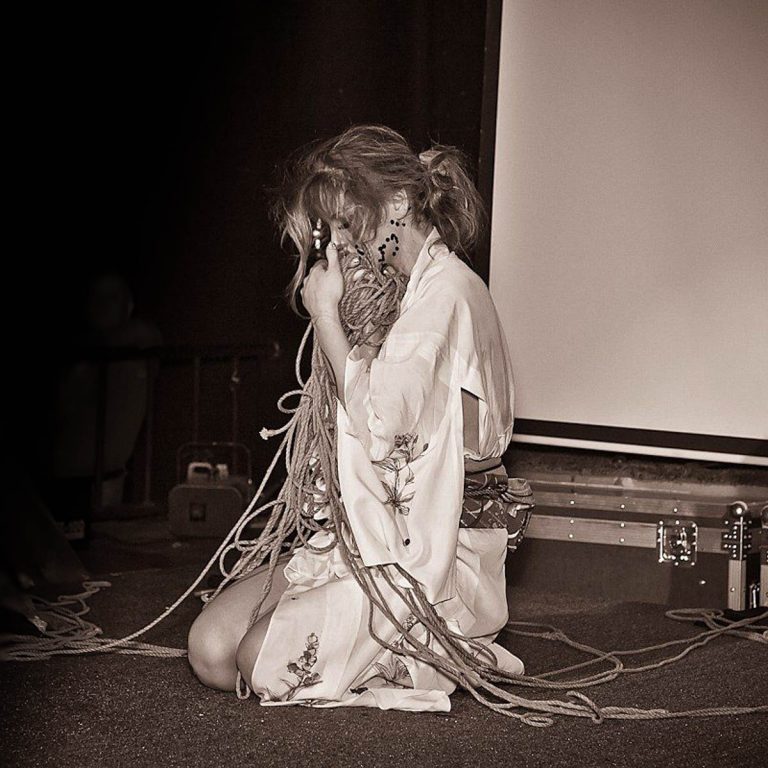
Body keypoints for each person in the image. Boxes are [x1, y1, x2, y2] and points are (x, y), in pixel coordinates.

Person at [187, 125, 524, 712]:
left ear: (399, 202)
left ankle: (440, 647)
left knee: (259, 661)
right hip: (379, 530)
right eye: (333, 229)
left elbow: (382, 427)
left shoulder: (446, 294)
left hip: (436, 549)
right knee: (210, 649)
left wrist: (326, 318)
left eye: (348, 223)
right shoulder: (410, 292)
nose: (341, 244)